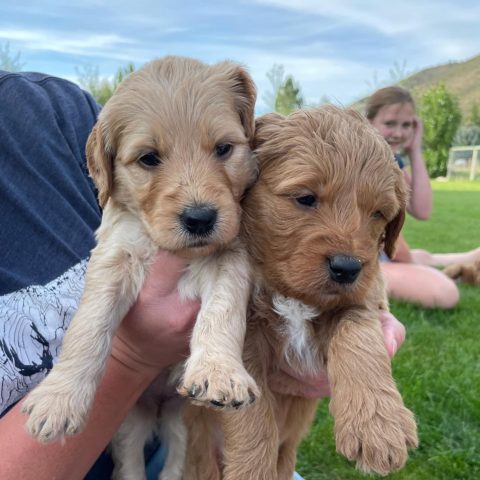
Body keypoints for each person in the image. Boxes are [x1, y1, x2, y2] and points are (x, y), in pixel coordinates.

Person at [0, 70, 405, 480]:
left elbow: (360, 311)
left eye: (377, 214)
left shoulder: (58, 108)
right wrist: (134, 354)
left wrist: (363, 358)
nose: (348, 249)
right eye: (305, 199)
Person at [366, 86, 469, 309]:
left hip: (383, 256)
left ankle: (469, 256)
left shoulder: (394, 161)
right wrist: (412, 267)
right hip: (361, 259)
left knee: (422, 256)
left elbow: (421, 210)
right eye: (390, 123)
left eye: (406, 125)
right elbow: (384, 230)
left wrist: (415, 150)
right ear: (369, 122)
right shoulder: (366, 164)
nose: (398, 133)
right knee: (444, 292)